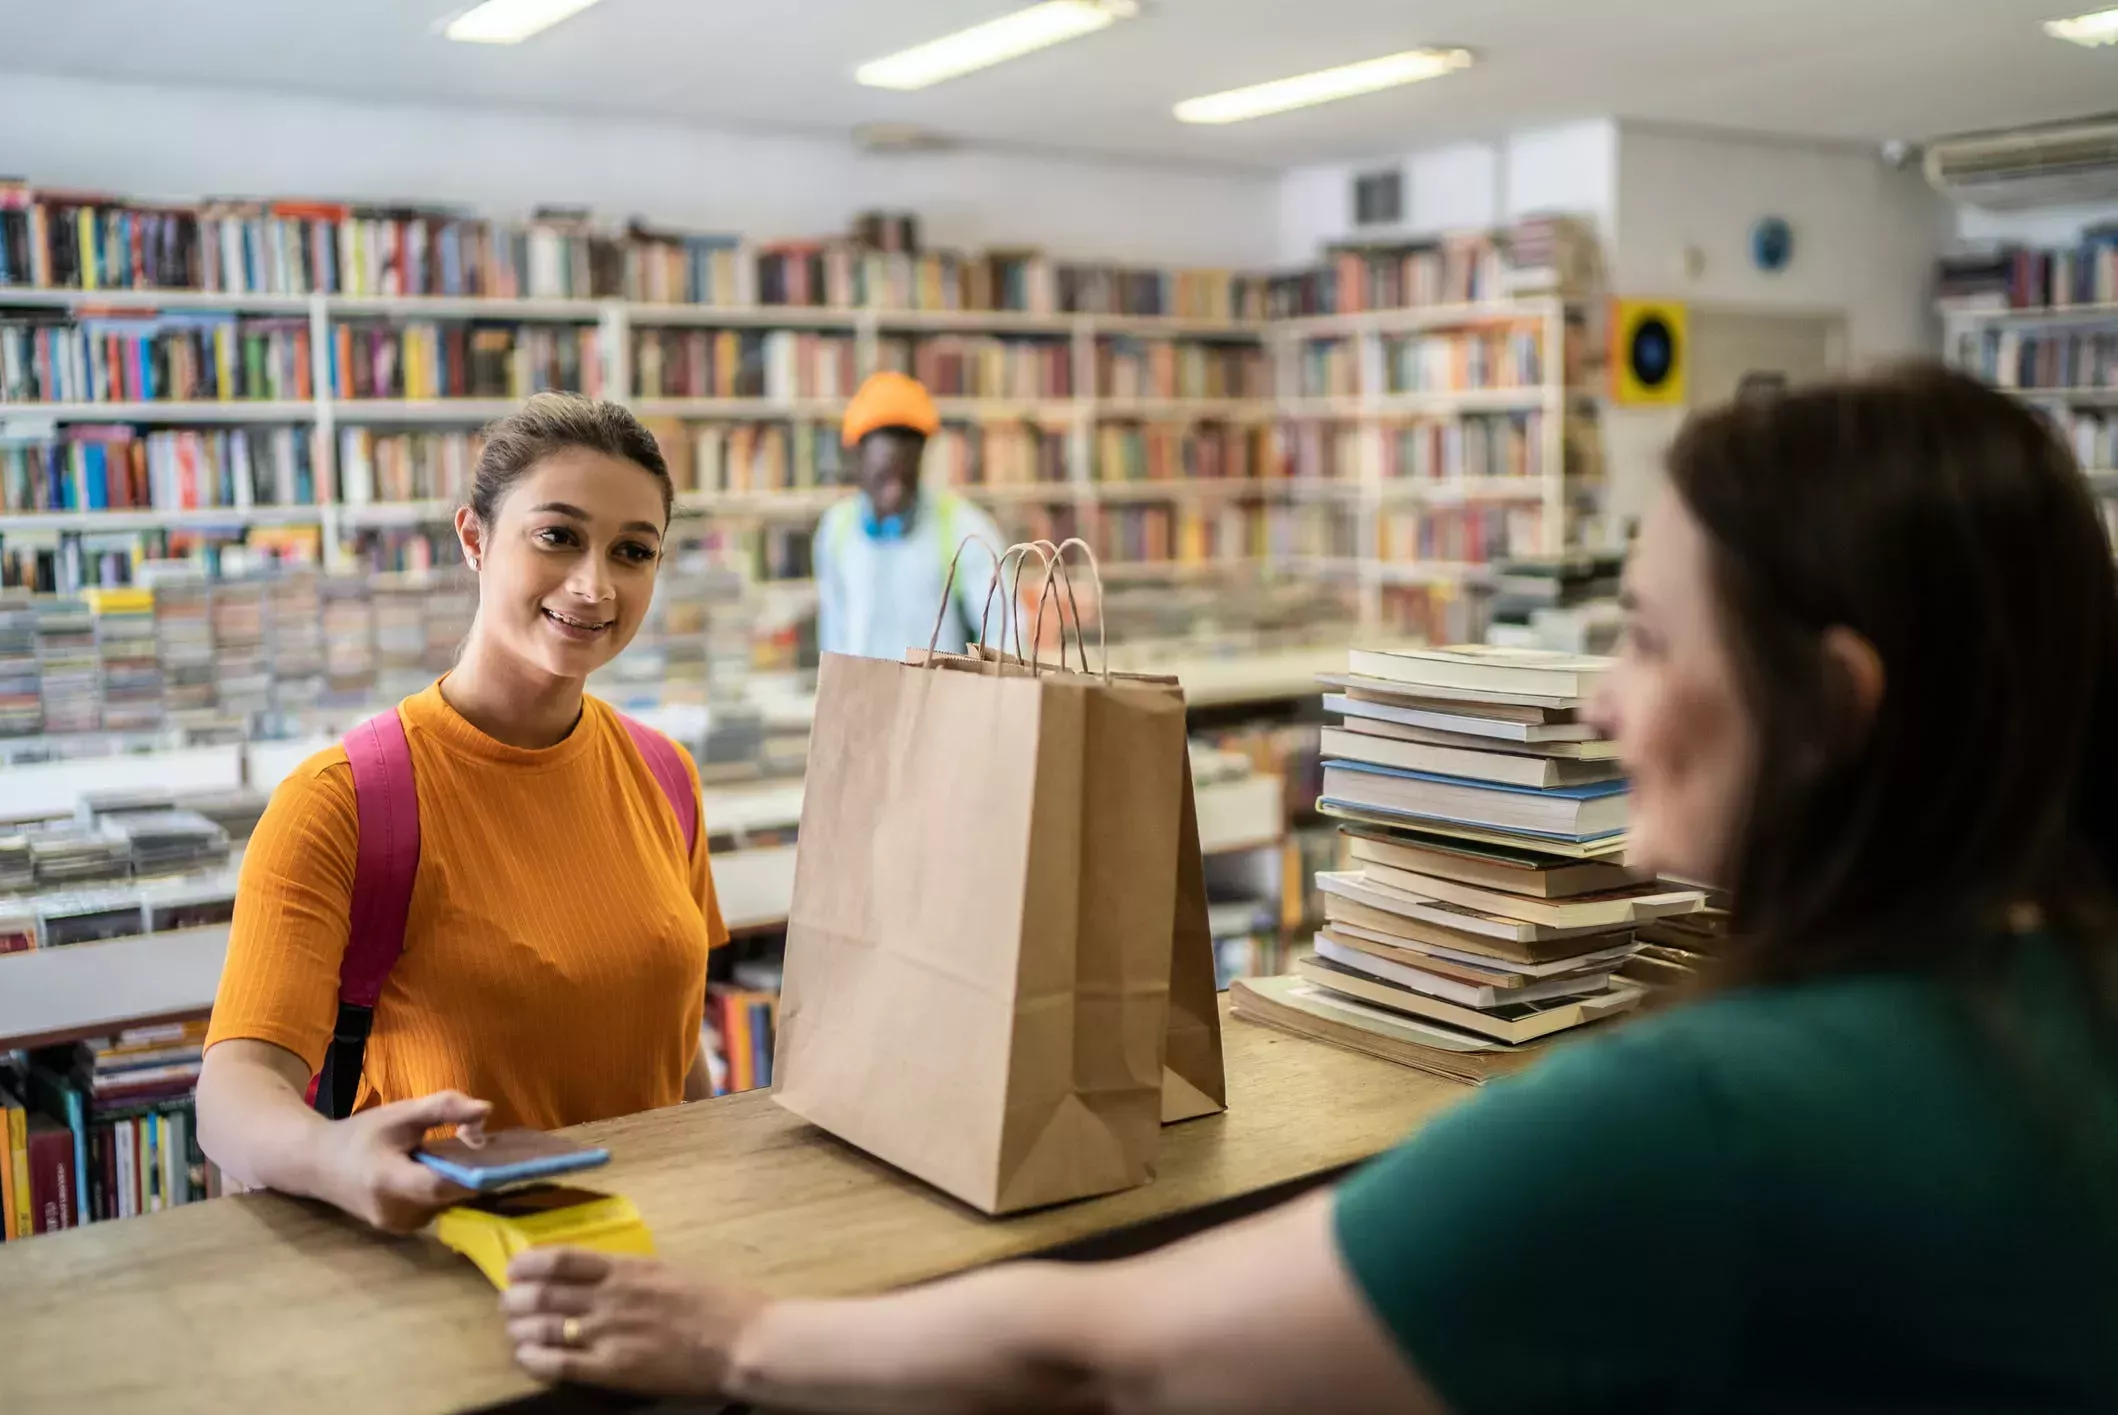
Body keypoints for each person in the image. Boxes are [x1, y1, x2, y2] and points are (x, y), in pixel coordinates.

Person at [498, 365, 2118, 1410]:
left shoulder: (1701, 1111)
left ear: (1831, 705)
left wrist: (735, 1338)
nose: (1601, 704)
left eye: (1636, 638)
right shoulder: (2053, 1001)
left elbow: (1110, 1355)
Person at [196, 393, 729, 1235]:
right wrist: (332, 1154)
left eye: (633, 551)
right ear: (474, 538)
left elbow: (674, 1049)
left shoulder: (666, 775)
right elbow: (231, 1095)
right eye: (558, 536)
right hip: (449, 1265)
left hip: (661, 1251)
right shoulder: (340, 802)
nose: (595, 585)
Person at [812, 371, 1010, 661]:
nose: (894, 492)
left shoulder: (964, 528)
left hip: (941, 699)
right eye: (883, 477)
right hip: (861, 699)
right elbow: (834, 636)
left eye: (905, 477)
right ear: (858, 459)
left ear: (921, 458)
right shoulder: (835, 531)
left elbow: (1005, 629)